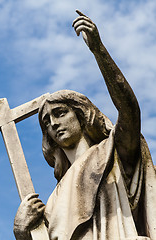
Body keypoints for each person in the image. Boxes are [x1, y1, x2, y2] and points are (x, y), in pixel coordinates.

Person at [13, 10, 156, 240]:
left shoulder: (111, 153)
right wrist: (21, 231)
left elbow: (129, 111)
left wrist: (98, 51)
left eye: (60, 113)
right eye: (47, 122)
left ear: (81, 115)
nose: (54, 124)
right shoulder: (53, 203)